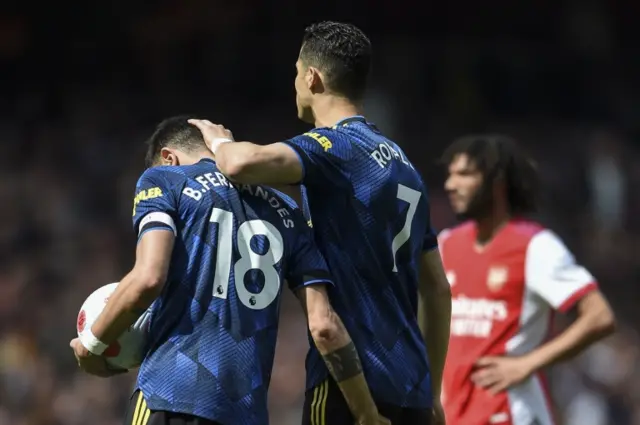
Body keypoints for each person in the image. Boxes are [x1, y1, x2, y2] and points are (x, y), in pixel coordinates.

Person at [189, 20, 451, 425]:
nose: (294, 83)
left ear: (312, 77)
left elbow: (240, 164)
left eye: (296, 73)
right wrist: (432, 391)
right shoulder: (406, 167)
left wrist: (218, 140)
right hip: (412, 393)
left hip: (352, 383)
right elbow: (436, 289)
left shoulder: (336, 147)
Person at [69, 116, 386, 425]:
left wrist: (93, 346)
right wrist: (366, 412)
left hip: (169, 394)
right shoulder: (288, 211)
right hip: (244, 413)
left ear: (168, 158)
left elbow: (148, 279)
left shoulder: (164, 179)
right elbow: (325, 326)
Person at [439, 134, 616, 425]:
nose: (450, 185)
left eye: (464, 175)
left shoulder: (536, 246)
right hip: (455, 414)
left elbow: (599, 316)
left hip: (511, 413)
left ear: (497, 183)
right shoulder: (447, 244)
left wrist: (527, 364)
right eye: (450, 176)